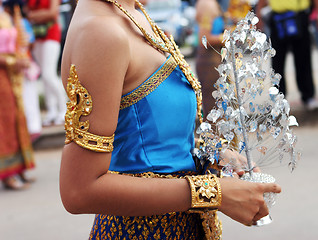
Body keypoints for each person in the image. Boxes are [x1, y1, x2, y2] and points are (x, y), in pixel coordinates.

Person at [59, 0, 281, 239]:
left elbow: (145, 136)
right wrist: (212, 192)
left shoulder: (132, 10)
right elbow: (79, 191)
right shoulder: (101, 32)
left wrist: (212, 155)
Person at [256, 0, 318, 111]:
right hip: (278, 17)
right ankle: (278, 97)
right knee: (277, 61)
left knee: (303, 58)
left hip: (299, 15)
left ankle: (308, 95)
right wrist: (259, 16)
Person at [0, 0, 35, 190]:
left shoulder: (6, 13)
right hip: (3, 74)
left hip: (11, 76)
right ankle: (7, 173)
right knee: (4, 122)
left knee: (16, 118)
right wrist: (13, 62)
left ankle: (19, 167)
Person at [26, 0, 66, 126]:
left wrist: (35, 16)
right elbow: (27, 13)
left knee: (49, 75)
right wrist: (41, 15)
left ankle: (65, 109)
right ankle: (52, 111)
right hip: (37, 37)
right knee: (44, 76)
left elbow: (52, 13)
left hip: (51, 35)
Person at [195, 0, 225, 118]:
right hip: (209, 63)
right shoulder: (207, 4)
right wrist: (227, 37)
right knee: (215, 110)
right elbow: (204, 39)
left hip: (215, 60)